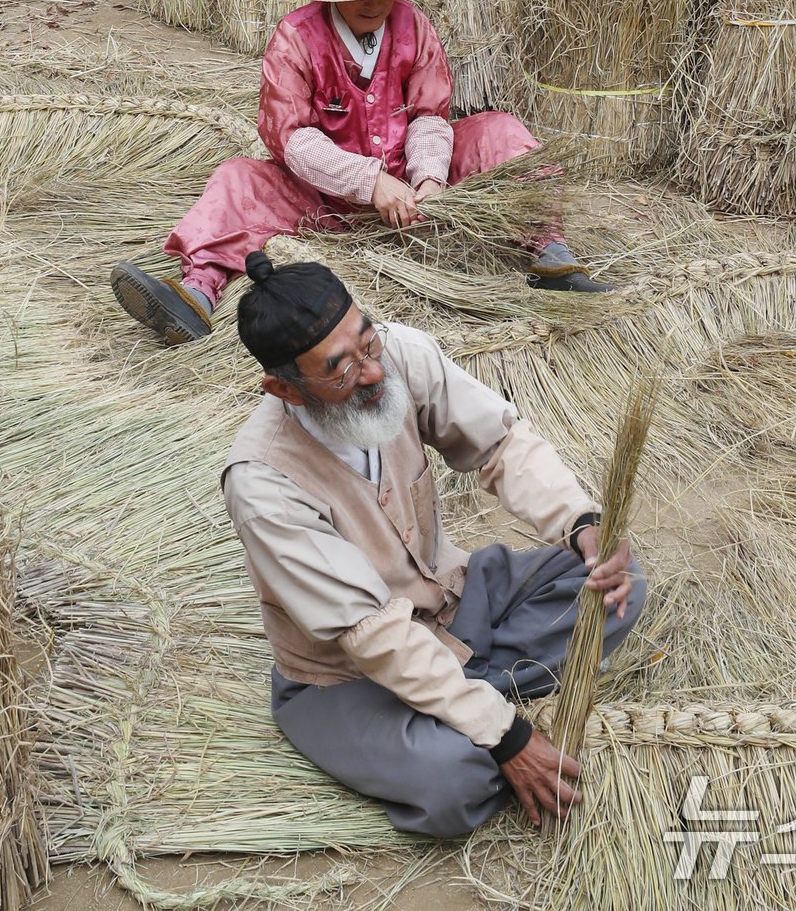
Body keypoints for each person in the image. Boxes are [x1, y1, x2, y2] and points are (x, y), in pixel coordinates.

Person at [221, 252, 647, 836]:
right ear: (285, 389)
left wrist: (581, 523)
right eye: (340, 370)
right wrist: (507, 735)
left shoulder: (398, 357)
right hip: (350, 676)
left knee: (617, 586)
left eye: (367, 344)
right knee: (455, 780)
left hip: (452, 602)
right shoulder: (262, 481)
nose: (371, 373)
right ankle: (471, 704)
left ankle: (460, 696)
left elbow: (499, 445)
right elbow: (370, 634)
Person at [110, 0, 601, 346]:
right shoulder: (296, 38)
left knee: (503, 132)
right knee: (236, 180)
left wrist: (427, 178)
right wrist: (368, 182)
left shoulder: (414, 26)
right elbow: (294, 140)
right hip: (323, 197)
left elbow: (431, 114)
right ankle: (196, 295)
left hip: (417, 189)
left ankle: (547, 250)